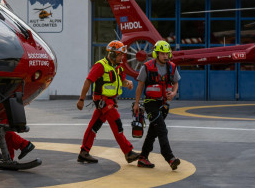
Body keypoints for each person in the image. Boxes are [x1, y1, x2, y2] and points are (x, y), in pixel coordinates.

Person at [75, 40, 140, 165]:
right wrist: (81, 100)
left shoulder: (119, 67)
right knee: (117, 124)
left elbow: (122, 81)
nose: (122, 57)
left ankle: (84, 152)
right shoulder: (100, 66)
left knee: (94, 126)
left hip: (109, 101)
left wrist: (128, 83)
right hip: (103, 101)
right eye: (120, 55)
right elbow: (88, 81)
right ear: (113, 54)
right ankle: (128, 153)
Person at [132, 40, 181, 170]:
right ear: (156, 54)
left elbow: (176, 82)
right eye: (162, 54)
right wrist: (136, 104)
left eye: (167, 53)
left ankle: (143, 158)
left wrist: (174, 93)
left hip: (164, 105)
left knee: (153, 132)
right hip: (150, 104)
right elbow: (140, 86)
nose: (165, 56)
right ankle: (170, 158)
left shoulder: (172, 67)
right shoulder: (146, 67)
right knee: (162, 130)